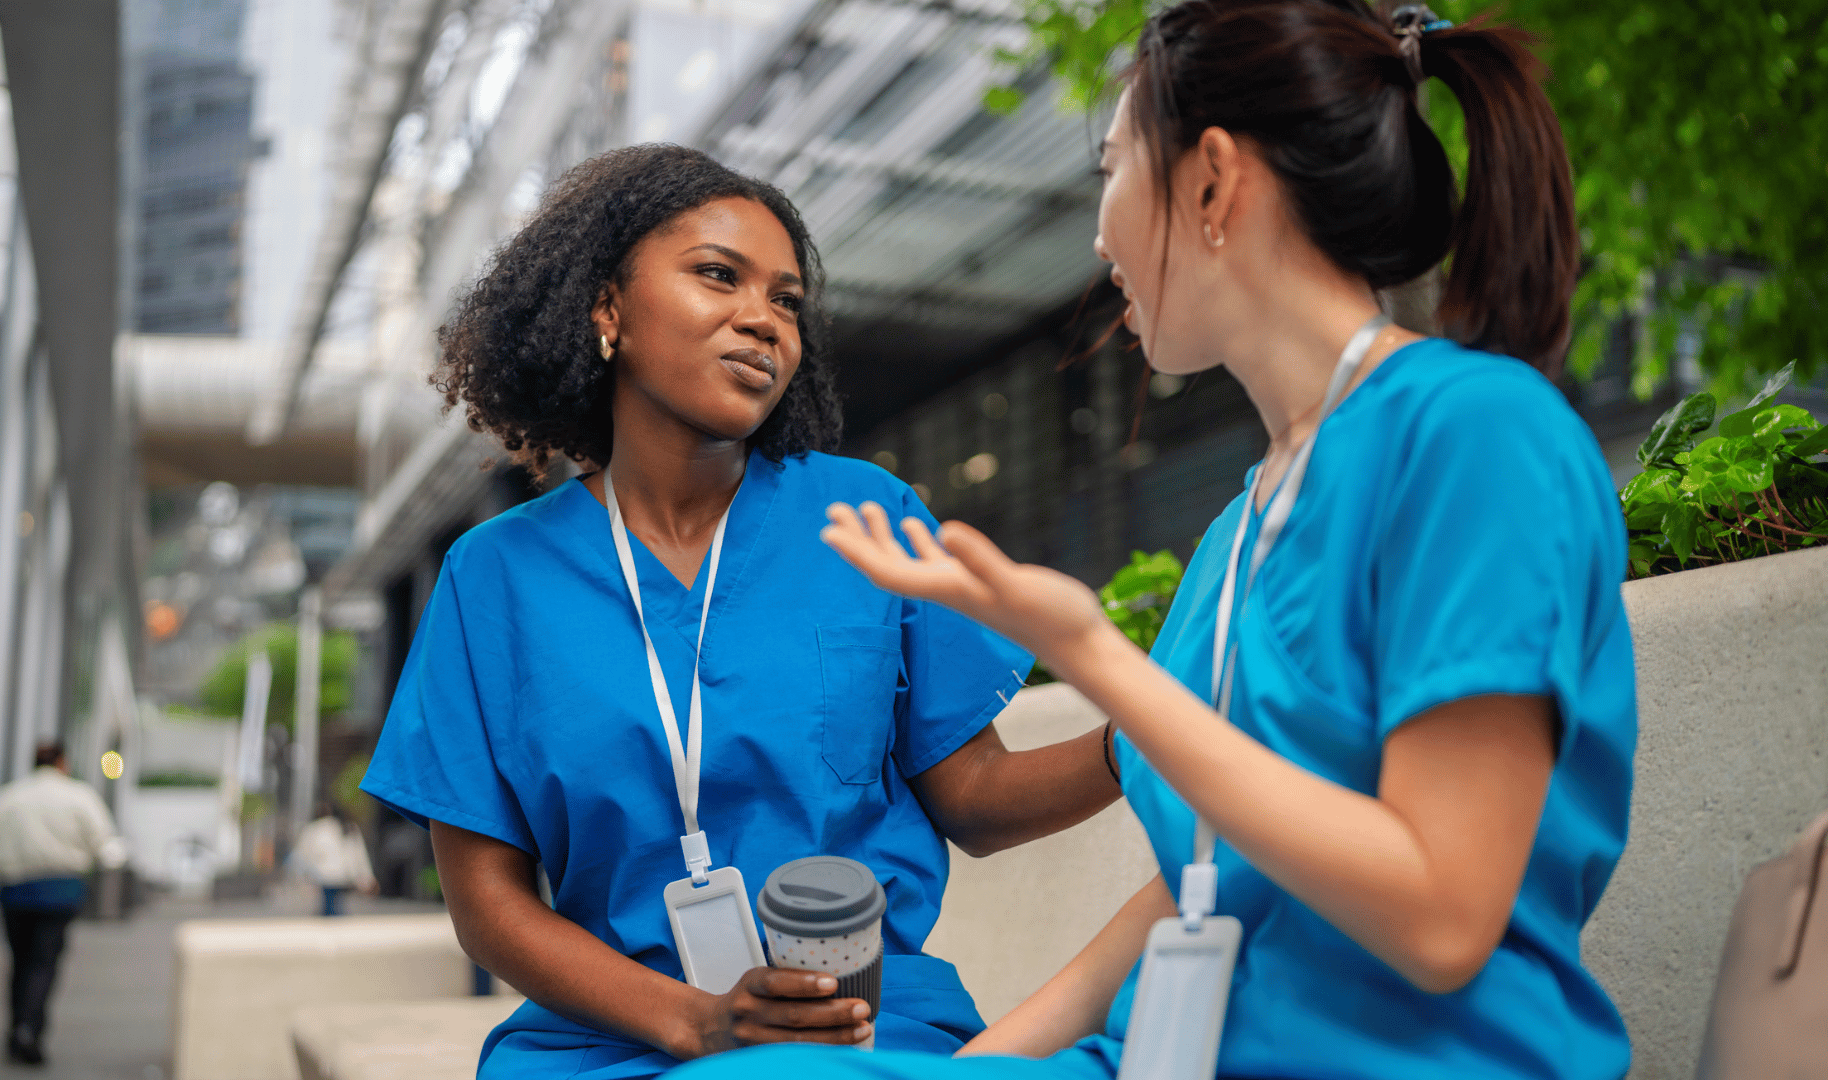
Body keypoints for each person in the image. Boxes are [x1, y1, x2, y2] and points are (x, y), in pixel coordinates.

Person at [676, 2, 1637, 1079]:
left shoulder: (1473, 434)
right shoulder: (1240, 529)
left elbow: (1442, 918)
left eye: (1113, 169)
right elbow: (1200, 890)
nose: (1099, 235)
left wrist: (1093, 658)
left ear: (1213, 183)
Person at [360, 144, 1126, 1080]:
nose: (762, 320)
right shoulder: (495, 576)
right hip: (608, 1037)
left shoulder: (866, 520)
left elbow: (973, 797)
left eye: (788, 301)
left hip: (859, 1025)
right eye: (718, 276)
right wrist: (690, 1022)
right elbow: (487, 902)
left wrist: (1143, 742)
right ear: (608, 309)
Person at [0, 741, 128, 1065]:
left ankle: (18, 1026)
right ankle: (30, 1029)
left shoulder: (9, 797)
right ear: (63, 761)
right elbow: (104, 842)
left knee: (19, 961)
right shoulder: (78, 796)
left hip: (14, 890)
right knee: (44, 962)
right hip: (60, 891)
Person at [289, 801, 377, 915]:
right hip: (342, 876)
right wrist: (366, 877)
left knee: (328, 908)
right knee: (337, 908)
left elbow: (302, 854)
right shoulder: (349, 827)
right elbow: (358, 854)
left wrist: (301, 876)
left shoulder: (314, 829)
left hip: (323, 876)